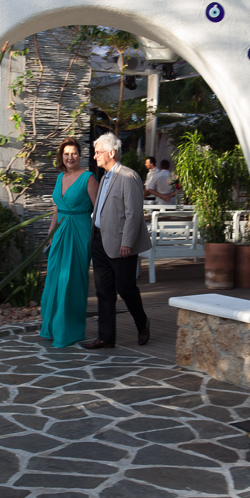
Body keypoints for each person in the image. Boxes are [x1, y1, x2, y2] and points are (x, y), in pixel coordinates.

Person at [83, 132, 152, 349]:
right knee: (104, 291)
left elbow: (134, 213)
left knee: (126, 288)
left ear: (111, 153)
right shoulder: (104, 177)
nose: (95, 156)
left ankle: (142, 322)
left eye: (98, 152)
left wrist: (127, 243)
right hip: (99, 241)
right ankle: (106, 337)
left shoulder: (128, 177)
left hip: (121, 244)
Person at [40, 138, 99, 348]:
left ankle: (70, 331)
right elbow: (57, 208)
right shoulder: (60, 177)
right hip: (59, 233)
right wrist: (50, 233)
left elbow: (99, 210)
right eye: (66, 154)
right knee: (55, 279)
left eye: (73, 153)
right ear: (62, 156)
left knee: (72, 280)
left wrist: (99, 238)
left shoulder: (88, 178)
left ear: (80, 155)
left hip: (79, 232)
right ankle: (52, 327)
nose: (70, 157)